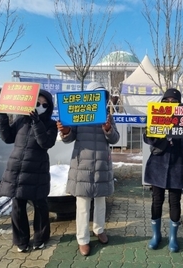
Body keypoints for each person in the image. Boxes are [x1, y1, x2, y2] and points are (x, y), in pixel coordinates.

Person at [56, 81, 120, 256]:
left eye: (102, 97)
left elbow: (115, 139)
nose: (100, 101)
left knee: (100, 202)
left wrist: (108, 129)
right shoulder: (77, 114)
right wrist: (66, 130)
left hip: (101, 165)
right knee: (83, 205)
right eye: (96, 97)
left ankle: (99, 230)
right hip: (82, 165)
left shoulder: (107, 115)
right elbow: (68, 139)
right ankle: (82, 239)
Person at [0, 89, 58, 253]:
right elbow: (7, 138)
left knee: (40, 205)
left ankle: (41, 237)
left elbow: (45, 143)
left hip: (37, 169)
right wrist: (1, 116)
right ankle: (21, 240)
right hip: (17, 168)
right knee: (18, 205)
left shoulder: (51, 124)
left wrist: (37, 122)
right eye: (37, 103)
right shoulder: (21, 119)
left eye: (45, 105)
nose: (41, 107)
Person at [143, 88, 183, 252]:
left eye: (174, 101)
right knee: (156, 200)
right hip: (158, 163)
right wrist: (156, 132)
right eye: (166, 100)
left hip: (177, 164)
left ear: (179, 104)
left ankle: (173, 237)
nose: (169, 103)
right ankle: (156, 235)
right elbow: (147, 139)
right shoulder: (155, 115)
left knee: (175, 202)